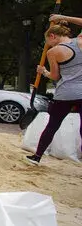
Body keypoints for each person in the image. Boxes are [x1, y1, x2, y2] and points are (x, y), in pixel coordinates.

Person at [26, 22, 82, 165]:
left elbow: (55, 76)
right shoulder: (80, 40)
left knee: (52, 125)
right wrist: (63, 17)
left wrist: (43, 72)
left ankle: (37, 156)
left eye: (48, 42)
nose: (49, 46)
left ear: (52, 36)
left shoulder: (54, 52)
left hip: (65, 94)